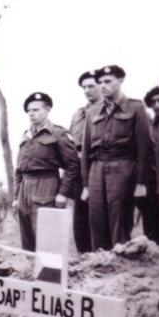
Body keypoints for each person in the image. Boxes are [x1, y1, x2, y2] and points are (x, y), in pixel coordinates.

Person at [81, 65, 154, 251]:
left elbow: (145, 148)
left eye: (108, 81)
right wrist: (86, 185)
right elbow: (86, 151)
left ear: (120, 81)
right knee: (96, 221)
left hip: (123, 168)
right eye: (100, 82)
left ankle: (119, 268)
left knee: (119, 220)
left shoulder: (136, 107)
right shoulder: (92, 112)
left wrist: (141, 183)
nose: (102, 86)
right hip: (96, 170)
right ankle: (101, 268)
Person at [11, 92, 80, 251]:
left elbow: (72, 165)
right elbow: (19, 170)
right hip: (25, 190)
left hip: (47, 186)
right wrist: (16, 197)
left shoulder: (58, 133)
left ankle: (51, 275)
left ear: (47, 110)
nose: (31, 113)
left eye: (36, 110)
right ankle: (30, 272)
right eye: (29, 110)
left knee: (49, 237)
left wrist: (63, 193)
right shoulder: (26, 135)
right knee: (27, 239)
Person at [69, 70, 102, 254]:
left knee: (98, 215)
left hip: (97, 165)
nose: (87, 90)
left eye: (92, 86)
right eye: (84, 87)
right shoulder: (78, 114)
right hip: (78, 169)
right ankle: (84, 258)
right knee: (80, 217)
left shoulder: (105, 110)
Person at [137, 86, 159, 245]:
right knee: (152, 229)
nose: (156, 105)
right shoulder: (150, 125)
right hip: (152, 182)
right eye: (152, 102)